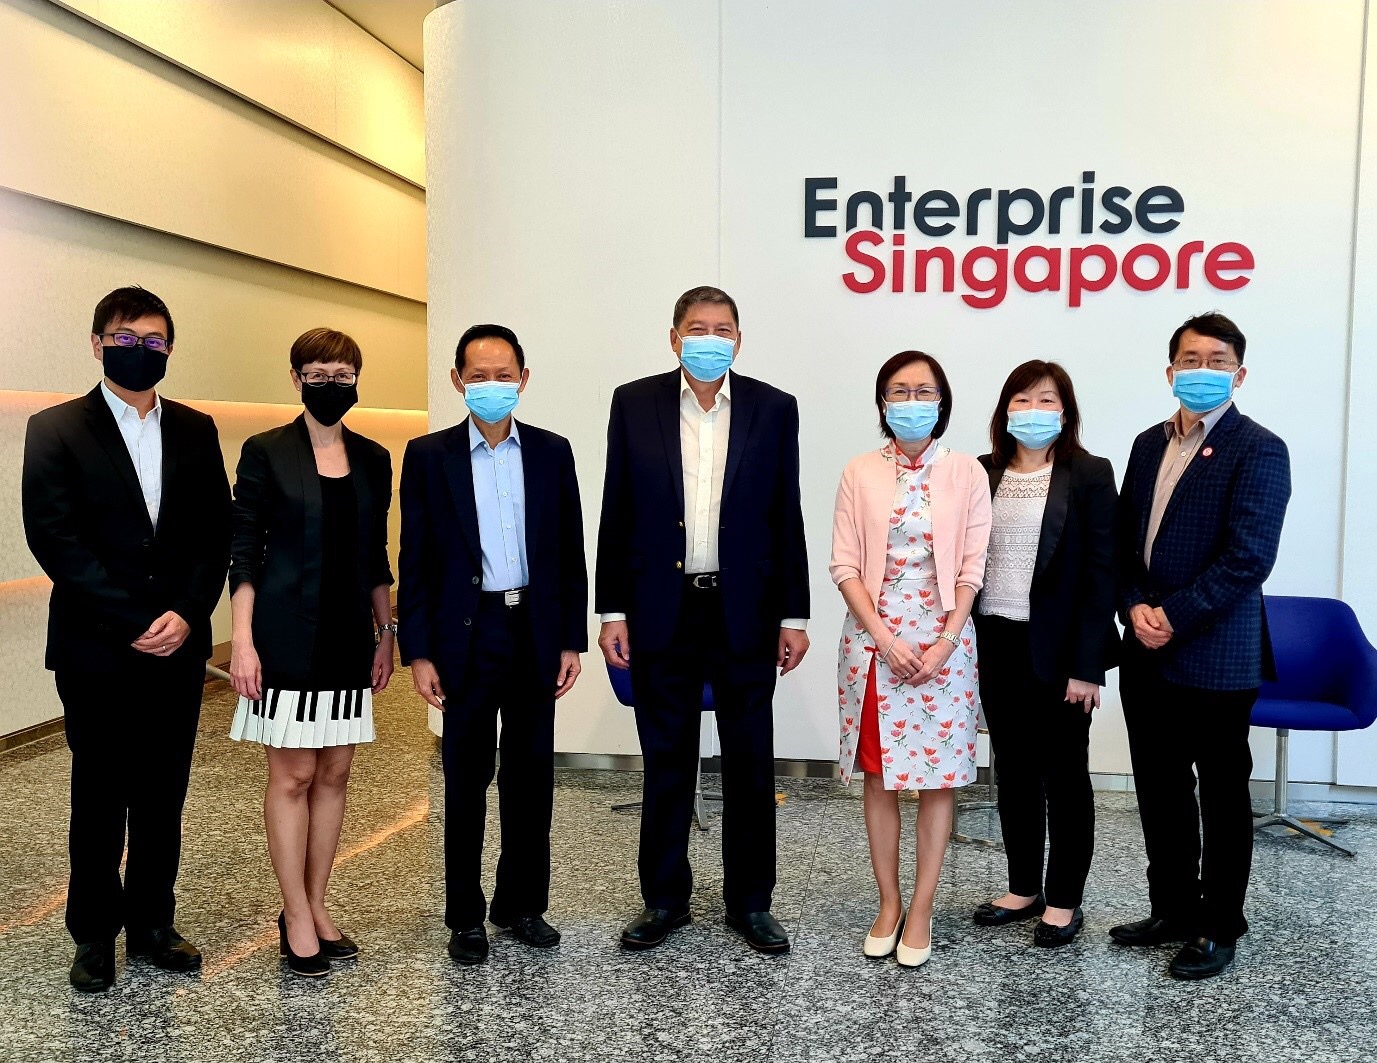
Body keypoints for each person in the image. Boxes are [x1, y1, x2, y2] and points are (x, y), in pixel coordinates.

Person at [22, 286, 231, 992]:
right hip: (96, 647)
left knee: (163, 791)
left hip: (179, 643)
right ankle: (93, 934)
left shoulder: (197, 429)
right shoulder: (55, 428)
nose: (140, 351)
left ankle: (152, 924)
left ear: (169, 349)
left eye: (154, 341)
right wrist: (132, 619)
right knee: (100, 792)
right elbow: (55, 538)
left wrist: (188, 610)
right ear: (97, 344)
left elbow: (214, 533)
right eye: (126, 338)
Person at [597, 286, 809, 954]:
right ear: (674, 338)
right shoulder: (634, 403)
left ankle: (750, 901)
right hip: (662, 607)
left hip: (745, 609)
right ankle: (664, 899)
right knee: (666, 758)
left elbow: (786, 513)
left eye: (722, 330)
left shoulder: (773, 408)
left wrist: (794, 613)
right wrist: (611, 609)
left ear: (738, 340)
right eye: (697, 328)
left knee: (749, 760)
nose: (709, 340)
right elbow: (616, 509)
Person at [399, 324, 586, 967]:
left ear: (523, 379)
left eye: (503, 375)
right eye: (478, 376)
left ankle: (522, 904)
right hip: (466, 636)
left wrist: (570, 639)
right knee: (465, 778)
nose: (491, 385)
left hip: (534, 630)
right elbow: (415, 559)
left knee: (531, 778)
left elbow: (569, 552)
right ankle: (465, 915)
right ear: (458, 381)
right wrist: (419, 651)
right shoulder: (429, 456)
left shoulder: (552, 452)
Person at [1112, 312, 1290, 980]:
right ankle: (1172, 909)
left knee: (1221, 796)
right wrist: (1133, 605)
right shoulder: (1145, 444)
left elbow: (1249, 557)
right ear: (1169, 371)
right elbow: (1124, 542)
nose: (1203, 371)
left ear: (1239, 375)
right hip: (1144, 649)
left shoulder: (1259, 448)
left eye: (1217, 361)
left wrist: (1171, 614)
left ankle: (1219, 925)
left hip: (1216, 653)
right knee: (1160, 791)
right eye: (1190, 359)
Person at [226, 328, 396, 977]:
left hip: (348, 636)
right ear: (296, 378)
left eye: (343, 374)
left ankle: (319, 903)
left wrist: (387, 634)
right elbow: (245, 552)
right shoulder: (266, 451)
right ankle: (294, 912)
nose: (331, 384)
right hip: (283, 636)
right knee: (293, 776)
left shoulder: (374, 457)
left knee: (334, 776)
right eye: (318, 373)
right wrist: (243, 642)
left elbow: (376, 555)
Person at [830, 350, 990, 968]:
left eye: (924, 391)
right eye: (900, 390)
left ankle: (921, 908)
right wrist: (884, 638)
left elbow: (972, 567)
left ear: (942, 402)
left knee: (936, 781)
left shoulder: (967, 472)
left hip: (945, 644)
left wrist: (945, 640)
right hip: (875, 644)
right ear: (882, 402)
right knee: (879, 776)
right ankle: (888, 902)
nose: (912, 402)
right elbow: (845, 564)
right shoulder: (860, 471)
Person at [970, 361, 1118, 947]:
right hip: (995, 640)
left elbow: (1103, 573)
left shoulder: (1089, 474)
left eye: (1047, 400)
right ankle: (1023, 887)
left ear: (1066, 410)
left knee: (1065, 777)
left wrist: (1088, 666)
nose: (1034, 411)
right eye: (1022, 400)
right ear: (1005, 409)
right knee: (1013, 771)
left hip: (1061, 653)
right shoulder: (981, 472)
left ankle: (1063, 899)